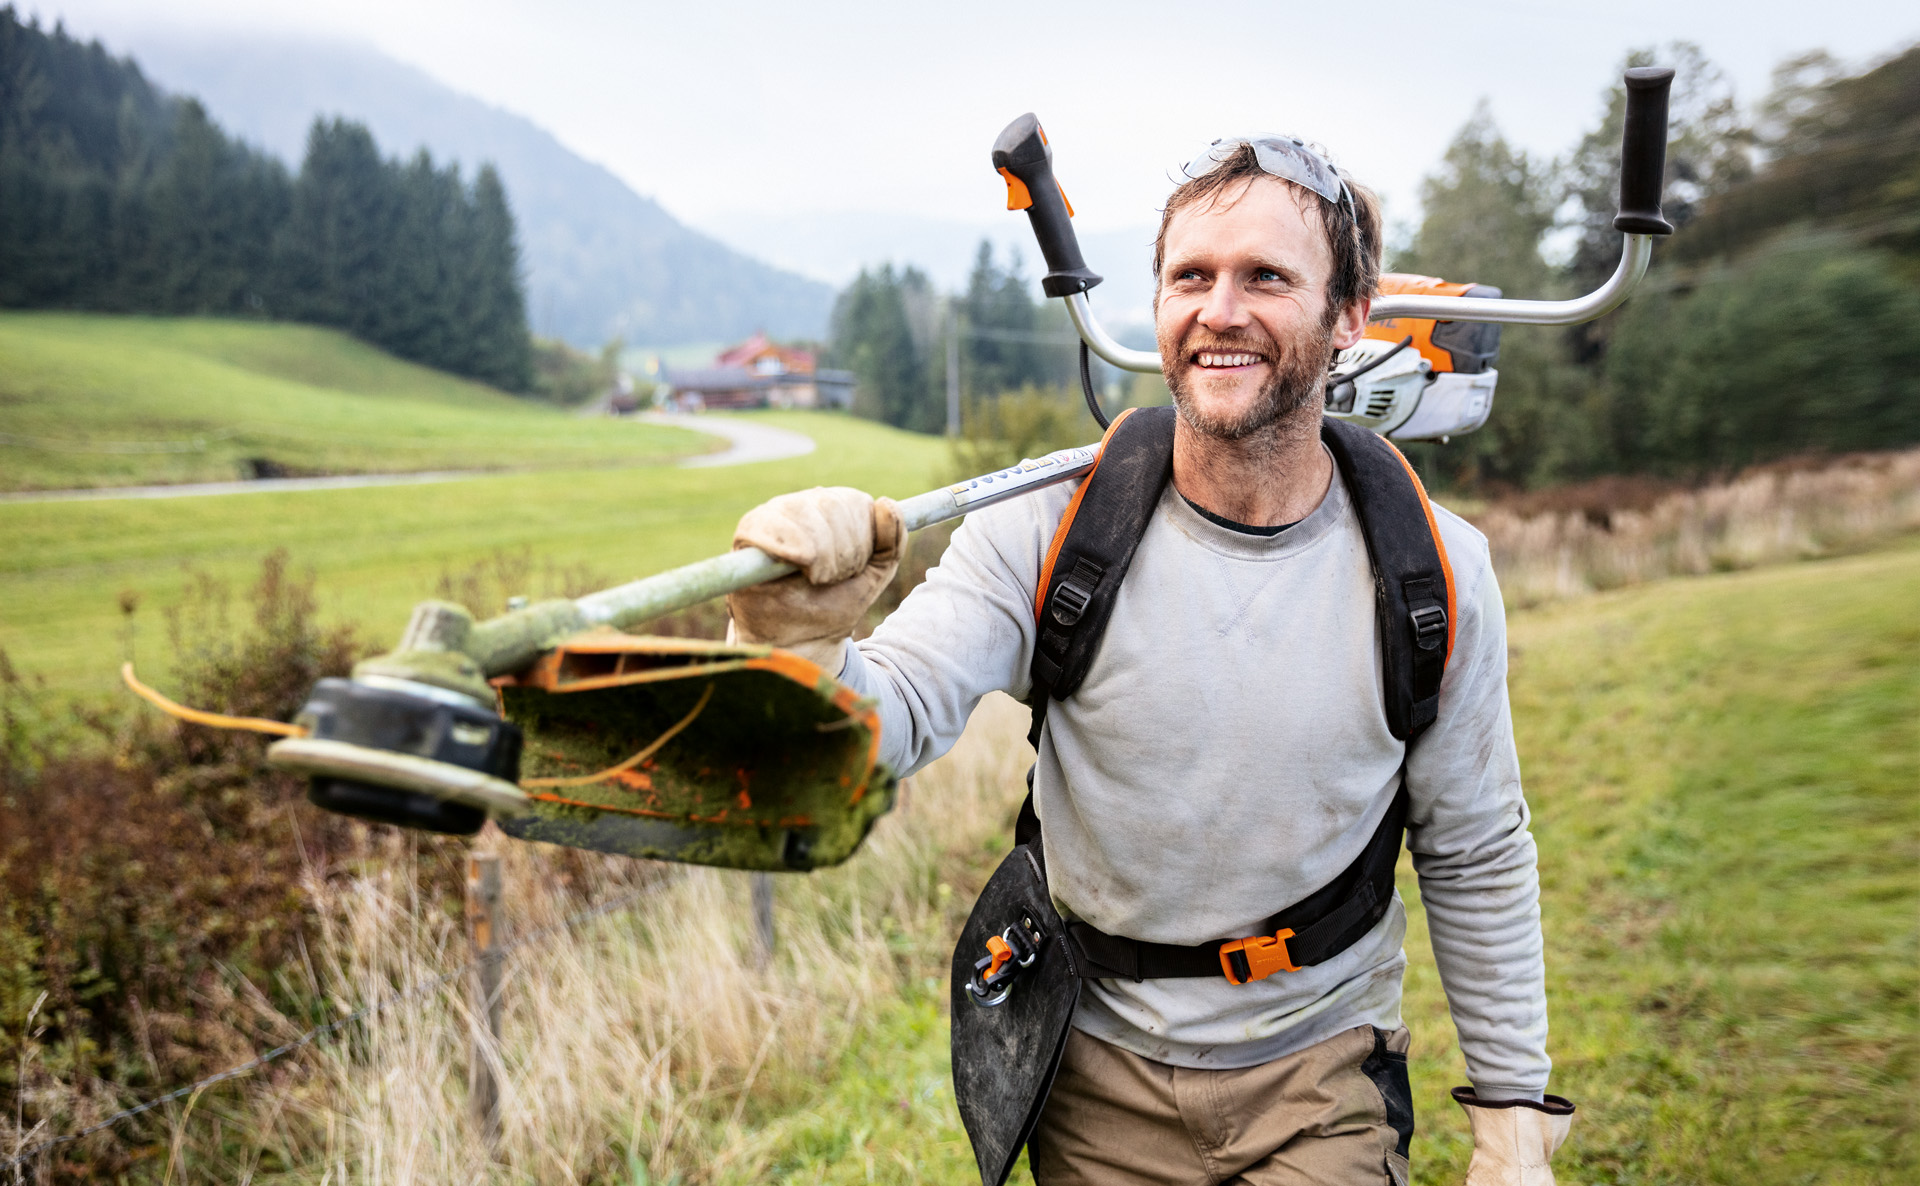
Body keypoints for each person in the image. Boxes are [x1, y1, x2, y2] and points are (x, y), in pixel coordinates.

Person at [725, 137, 1574, 1186]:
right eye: (1191, 276)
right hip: (1094, 1072)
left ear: (1351, 313)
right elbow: (887, 713)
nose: (1221, 310)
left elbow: (1476, 848)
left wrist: (1511, 1123)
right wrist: (798, 638)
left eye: (1267, 277)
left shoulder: (1433, 570)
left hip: (1321, 1068)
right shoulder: (1050, 527)